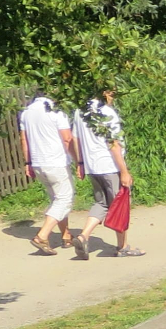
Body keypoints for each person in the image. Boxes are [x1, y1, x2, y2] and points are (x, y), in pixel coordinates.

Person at [70, 88, 139, 258]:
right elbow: (113, 144)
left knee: (101, 203)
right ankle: (122, 247)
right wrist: (124, 171)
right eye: (112, 93)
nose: (113, 97)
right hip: (110, 166)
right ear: (104, 92)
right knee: (120, 204)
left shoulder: (80, 111)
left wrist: (80, 163)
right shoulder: (107, 112)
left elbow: (75, 140)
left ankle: (83, 235)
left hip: (93, 167)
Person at [17, 90, 76, 257]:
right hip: (56, 162)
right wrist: (78, 161)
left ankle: (66, 236)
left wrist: (28, 163)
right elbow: (67, 138)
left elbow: (24, 140)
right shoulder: (56, 110)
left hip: (38, 163)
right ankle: (42, 236)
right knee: (65, 198)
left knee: (57, 199)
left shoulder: (26, 113)